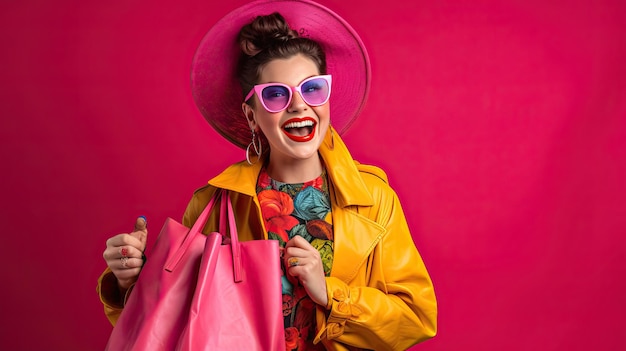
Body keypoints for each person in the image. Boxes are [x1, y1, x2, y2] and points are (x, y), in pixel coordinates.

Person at [98, 0, 437, 350]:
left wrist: (330, 294)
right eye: (276, 94)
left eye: (312, 88)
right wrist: (128, 280)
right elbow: (173, 319)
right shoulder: (215, 203)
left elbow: (415, 319)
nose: (298, 104)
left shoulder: (374, 199)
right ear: (251, 115)